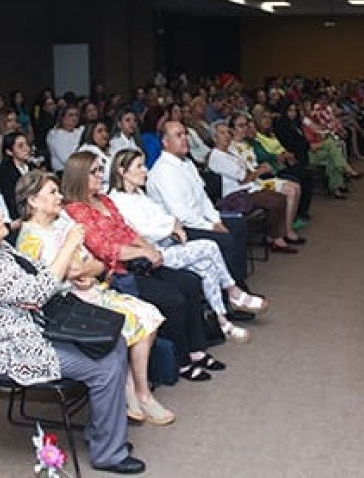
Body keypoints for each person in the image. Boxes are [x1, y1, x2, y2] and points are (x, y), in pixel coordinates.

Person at [0, 187, 145, 474]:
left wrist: (71, 277)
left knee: (115, 343)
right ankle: (108, 453)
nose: (3, 217)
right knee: (103, 366)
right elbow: (37, 291)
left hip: (33, 331)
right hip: (11, 350)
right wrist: (68, 247)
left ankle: (103, 436)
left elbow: (40, 275)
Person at [14, 170, 174, 425]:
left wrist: (85, 269)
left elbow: (97, 264)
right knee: (123, 324)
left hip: (91, 290)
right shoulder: (29, 238)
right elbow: (63, 274)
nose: (60, 197)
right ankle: (130, 393)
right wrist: (80, 267)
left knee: (149, 316)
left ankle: (141, 393)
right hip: (65, 305)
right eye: (52, 192)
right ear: (33, 201)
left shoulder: (62, 222)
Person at [63, 151, 224, 382]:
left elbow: (128, 231)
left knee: (191, 282)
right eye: (94, 172)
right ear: (79, 176)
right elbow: (105, 249)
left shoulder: (104, 200)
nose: (100, 176)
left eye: (100, 170)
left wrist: (149, 248)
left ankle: (197, 350)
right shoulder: (77, 210)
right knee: (174, 299)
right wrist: (144, 252)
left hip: (137, 262)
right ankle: (181, 361)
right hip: (117, 274)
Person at [110, 149, 267, 342]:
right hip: (153, 254)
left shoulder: (139, 194)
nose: (145, 171)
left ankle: (222, 320)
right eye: (139, 167)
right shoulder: (118, 200)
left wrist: (172, 225)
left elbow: (163, 216)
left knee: (208, 268)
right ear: (122, 171)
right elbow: (142, 230)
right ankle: (232, 290)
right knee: (209, 247)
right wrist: (171, 227)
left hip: (167, 242)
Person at [146, 120, 252, 294]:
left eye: (185, 134)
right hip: (180, 229)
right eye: (178, 135)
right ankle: (228, 295)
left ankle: (239, 283)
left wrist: (216, 220)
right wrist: (211, 226)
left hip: (200, 219)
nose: (185, 139)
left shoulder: (186, 163)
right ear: (165, 142)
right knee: (226, 240)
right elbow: (181, 214)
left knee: (238, 225)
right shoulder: (163, 171)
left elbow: (203, 198)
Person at [209, 122, 299, 253]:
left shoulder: (230, 152)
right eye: (222, 133)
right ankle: (275, 238)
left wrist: (253, 173)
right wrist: (257, 172)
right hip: (235, 195)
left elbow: (247, 172)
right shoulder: (217, 156)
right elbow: (243, 177)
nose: (227, 136)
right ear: (214, 138)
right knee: (276, 201)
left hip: (249, 187)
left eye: (228, 132)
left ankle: (273, 236)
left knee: (281, 198)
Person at [46, 105, 83, 173]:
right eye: (70, 115)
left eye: (76, 115)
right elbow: (67, 159)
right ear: (62, 117)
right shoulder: (55, 135)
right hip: (64, 172)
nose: (74, 118)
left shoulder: (79, 131)